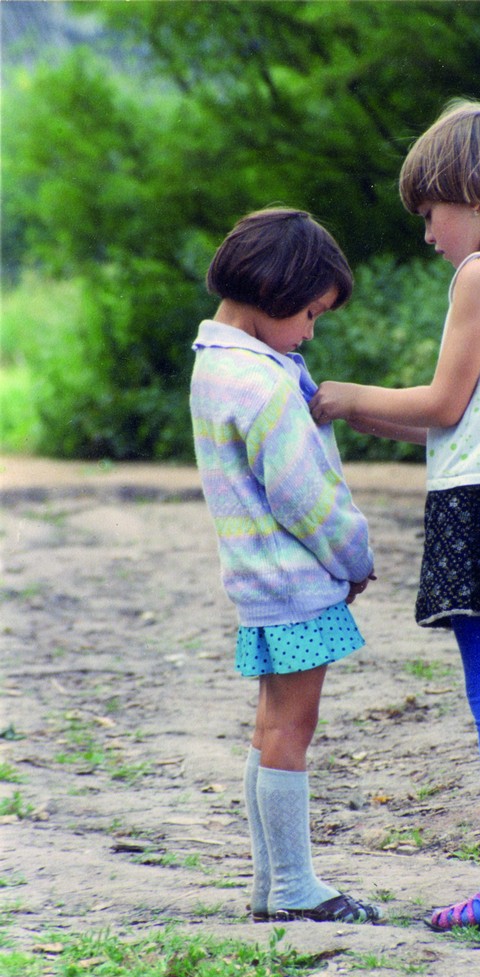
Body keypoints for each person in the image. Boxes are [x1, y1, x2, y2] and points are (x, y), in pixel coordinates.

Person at [310, 100, 480, 932]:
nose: (429, 234)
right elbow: (460, 417)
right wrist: (359, 414)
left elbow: (441, 402)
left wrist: (345, 395)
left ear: (471, 190)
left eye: (430, 213)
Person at [190, 207, 380, 924]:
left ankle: (272, 887)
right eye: (308, 314)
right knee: (291, 731)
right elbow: (305, 498)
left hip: (258, 584)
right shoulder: (263, 385)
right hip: (296, 584)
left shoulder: (216, 366)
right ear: (273, 291)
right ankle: (295, 888)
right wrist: (355, 558)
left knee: (271, 728)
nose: (309, 333)